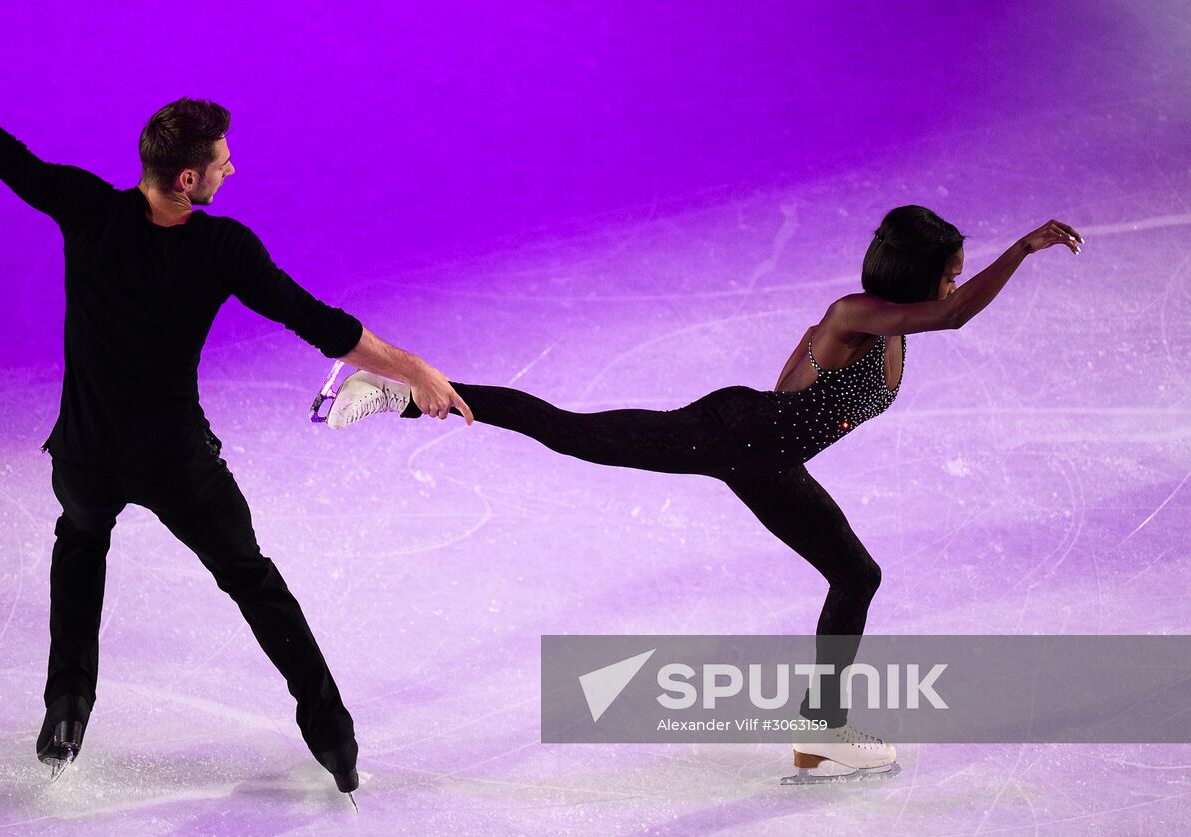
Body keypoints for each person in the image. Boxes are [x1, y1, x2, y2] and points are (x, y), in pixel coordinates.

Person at [0, 25, 474, 794]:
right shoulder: (225, 248)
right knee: (252, 579)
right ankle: (332, 733)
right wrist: (414, 368)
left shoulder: (88, 209)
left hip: (89, 454)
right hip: (179, 462)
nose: (233, 170)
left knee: (80, 538)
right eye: (223, 163)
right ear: (189, 182)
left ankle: (67, 705)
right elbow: (320, 325)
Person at [325, 205, 1083, 782]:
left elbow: (887, 341)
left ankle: (823, 726)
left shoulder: (894, 326)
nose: (956, 280)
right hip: (731, 434)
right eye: (952, 268)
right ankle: (395, 389)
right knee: (567, 429)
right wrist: (1023, 248)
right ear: (921, 277)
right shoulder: (856, 317)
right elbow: (941, 317)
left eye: (959, 269)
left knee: (857, 574)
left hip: (768, 462)